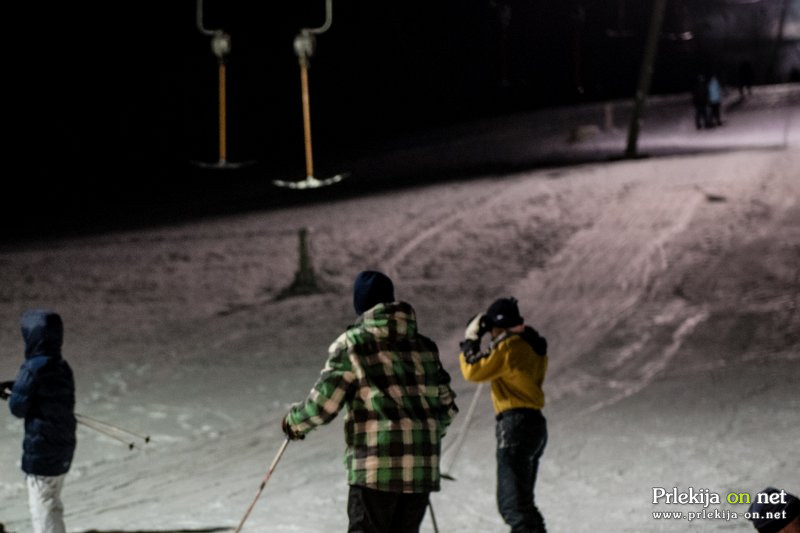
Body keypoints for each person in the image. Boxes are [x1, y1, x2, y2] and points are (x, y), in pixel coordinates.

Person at [282, 270, 458, 533]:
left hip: (377, 469)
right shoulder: (424, 347)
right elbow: (447, 407)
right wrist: (422, 437)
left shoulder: (354, 344)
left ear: (361, 306)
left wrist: (294, 422)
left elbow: (324, 405)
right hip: (420, 471)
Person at [459, 297, 549, 533]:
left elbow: (473, 370)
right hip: (534, 424)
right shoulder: (531, 344)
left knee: (513, 507)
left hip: (515, 426)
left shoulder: (509, 348)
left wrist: (471, 340)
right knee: (523, 505)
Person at [5, 309, 76, 533]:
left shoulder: (32, 368)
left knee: (42, 508)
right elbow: (47, 395)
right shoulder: (62, 366)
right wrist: (16, 387)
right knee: (52, 503)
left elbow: (18, 408)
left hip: (42, 450)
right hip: (63, 446)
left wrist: (15, 393)